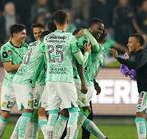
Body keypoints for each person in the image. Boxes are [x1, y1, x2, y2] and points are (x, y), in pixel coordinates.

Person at [42, 10, 90, 139]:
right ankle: (69, 137)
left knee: (52, 112)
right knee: (74, 111)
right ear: (67, 22)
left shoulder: (47, 38)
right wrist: (87, 52)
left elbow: (44, 57)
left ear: (54, 22)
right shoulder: (70, 38)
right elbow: (81, 61)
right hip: (65, 79)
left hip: (50, 79)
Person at [111, 33, 147, 139]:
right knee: (140, 118)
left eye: (130, 42)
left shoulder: (143, 54)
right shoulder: (136, 54)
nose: (128, 44)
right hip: (145, 90)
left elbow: (136, 65)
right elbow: (134, 69)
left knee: (139, 118)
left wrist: (118, 58)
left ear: (138, 43)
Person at [11, 23, 45, 139]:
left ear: (44, 32)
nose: (37, 35)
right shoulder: (43, 45)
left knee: (28, 112)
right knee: (28, 111)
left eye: (39, 32)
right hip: (24, 81)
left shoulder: (31, 45)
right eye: (35, 33)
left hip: (19, 79)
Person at [0, 24, 28, 139]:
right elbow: (8, 68)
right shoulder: (5, 48)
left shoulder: (27, 47)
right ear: (14, 34)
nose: (25, 35)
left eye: (25, 33)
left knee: (27, 113)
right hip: (9, 86)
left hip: (23, 85)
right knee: (5, 113)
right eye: (23, 33)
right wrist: (25, 65)